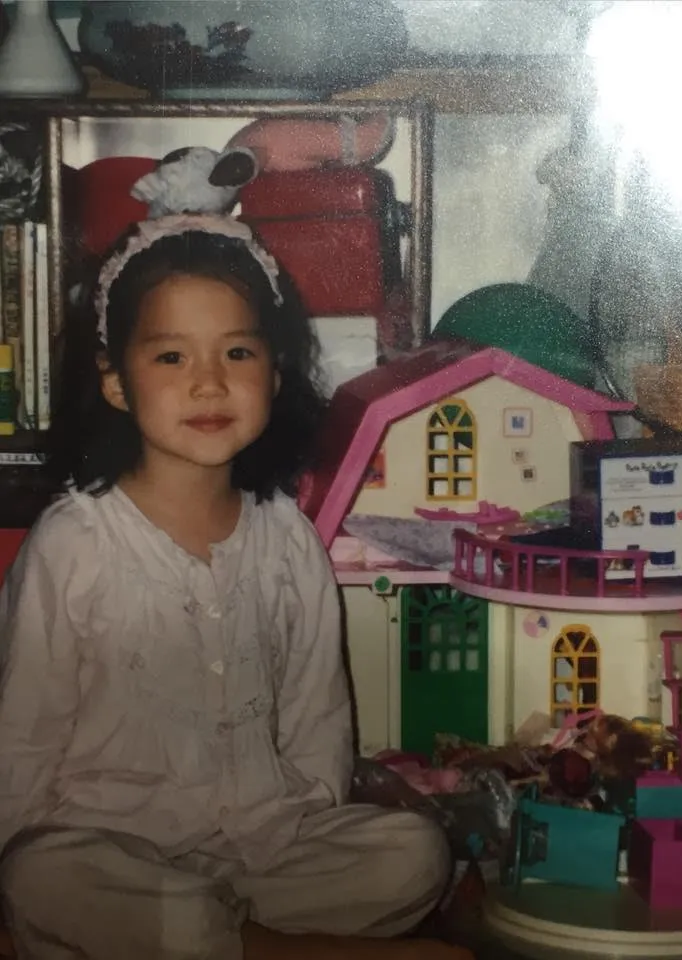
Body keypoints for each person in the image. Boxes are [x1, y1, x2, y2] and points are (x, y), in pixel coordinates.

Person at [0, 214, 471, 960]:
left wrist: (308, 820)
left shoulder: (285, 539)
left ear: (275, 375)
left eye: (238, 352)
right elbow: (23, 733)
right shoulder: (75, 544)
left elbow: (317, 717)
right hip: (112, 848)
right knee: (42, 876)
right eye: (171, 356)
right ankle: (274, 947)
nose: (209, 381)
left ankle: (224, 936)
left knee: (413, 855)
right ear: (116, 381)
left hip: (262, 849)